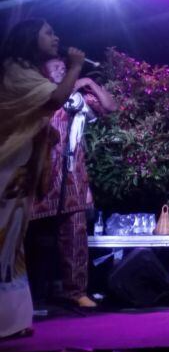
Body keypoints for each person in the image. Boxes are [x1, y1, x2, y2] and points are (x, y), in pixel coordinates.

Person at [1, 19, 85, 338]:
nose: (56, 36)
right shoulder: (15, 70)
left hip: (17, 168)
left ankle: (13, 320)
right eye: (48, 32)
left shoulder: (26, 69)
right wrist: (75, 66)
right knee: (3, 244)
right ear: (29, 37)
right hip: (5, 167)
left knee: (11, 247)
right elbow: (54, 99)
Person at [29, 58, 116, 309]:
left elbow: (110, 107)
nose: (61, 70)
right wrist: (76, 81)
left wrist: (90, 82)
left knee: (75, 234)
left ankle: (76, 291)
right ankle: (32, 293)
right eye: (55, 67)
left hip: (71, 173)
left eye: (63, 68)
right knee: (35, 235)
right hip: (41, 172)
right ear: (42, 71)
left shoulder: (76, 100)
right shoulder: (37, 93)